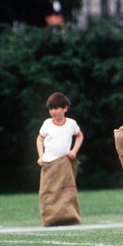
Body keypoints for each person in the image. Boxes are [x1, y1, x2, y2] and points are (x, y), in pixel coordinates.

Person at [36, 92, 84, 226]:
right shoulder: (47, 124)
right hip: (49, 163)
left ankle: (70, 219)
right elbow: (39, 139)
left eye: (56, 108)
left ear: (65, 108)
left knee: (68, 191)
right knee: (48, 193)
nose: (53, 112)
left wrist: (74, 151)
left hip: (64, 163)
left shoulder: (71, 124)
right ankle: (49, 220)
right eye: (51, 109)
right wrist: (41, 156)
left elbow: (79, 136)